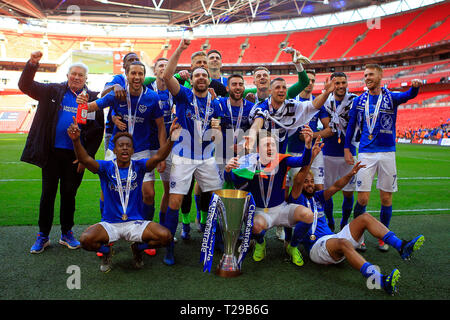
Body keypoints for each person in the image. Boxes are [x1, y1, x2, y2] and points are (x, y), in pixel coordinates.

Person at [288, 150, 425, 295]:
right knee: (343, 243)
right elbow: (297, 180)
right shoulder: (296, 199)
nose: (309, 184)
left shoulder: (318, 196)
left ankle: (401, 246)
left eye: (311, 181)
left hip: (333, 239)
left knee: (364, 217)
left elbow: (336, 186)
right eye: (306, 182)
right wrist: (311, 158)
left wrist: (351, 173)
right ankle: (380, 279)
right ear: (300, 184)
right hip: (316, 248)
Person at [67, 117, 180, 272]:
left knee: (165, 237)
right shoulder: (106, 167)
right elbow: (85, 159)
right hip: (110, 223)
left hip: (135, 223)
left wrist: (172, 139)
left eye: (128, 146)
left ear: (133, 150)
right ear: (115, 150)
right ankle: (107, 252)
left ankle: (138, 248)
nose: (125, 148)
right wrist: (76, 141)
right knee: (85, 240)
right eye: (121, 145)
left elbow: (159, 157)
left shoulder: (139, 166)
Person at [19, 51, 104, 254]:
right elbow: (25, 86)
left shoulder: (92, 99)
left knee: (69, 195)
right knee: (47, 195)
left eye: (80, 75)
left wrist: (86, 158)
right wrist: (32, 63)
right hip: (51, 154)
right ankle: (43, 236)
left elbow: (97, 131)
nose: (76, 77)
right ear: (67, 76)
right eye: (73, 73)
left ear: (86, 79)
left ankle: (67, 233)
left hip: (75, 158)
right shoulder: (52, 91)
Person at [77, 61, 166, 227]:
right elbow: (92, 107)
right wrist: (81, 103)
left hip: (141, 151)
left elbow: (160, 126)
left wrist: (161, 155)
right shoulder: (116, 95)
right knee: (107, 191)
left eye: (140, 74)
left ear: (144, 76)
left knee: (149, 193)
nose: (137, 77)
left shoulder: (152, 97)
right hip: (116, 150)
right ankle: (107, 228)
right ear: (127, 75)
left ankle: (143, 231)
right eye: (133, 73)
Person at [344, 64, 423, 251]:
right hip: (365, 153)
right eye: (365, 75)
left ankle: (384, 237)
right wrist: (348, 148)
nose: (367, 78)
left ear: (380, 76)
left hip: (387, 152)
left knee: (386, 198)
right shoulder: (359, 101)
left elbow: (408, 96)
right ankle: (358, 235)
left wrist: (415, 87)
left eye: (370, 74)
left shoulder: (391, 97)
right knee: (362, 198)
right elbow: (351, 125)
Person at [162, 38, 223, 265]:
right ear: (192, 78)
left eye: (204, 75)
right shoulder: (184, 96)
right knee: (175, 201)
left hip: (207, 158)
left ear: (209, 80)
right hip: (184, 156)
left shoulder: (215, 103)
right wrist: (180, 48)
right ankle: (169, 246)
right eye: (197, 75)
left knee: (217, 200)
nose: (200, 78)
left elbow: (217, 132)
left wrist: (217, 131)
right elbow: (167, 77)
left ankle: (215, 238)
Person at [224, 127, 315, 267]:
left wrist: (308, 146)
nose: (271, 148)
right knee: (254, 226)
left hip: (281, 208)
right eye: (266, 145)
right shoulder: (248, 162)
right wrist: (228, 169)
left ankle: (293, 246)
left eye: (273, 144)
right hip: (261, 212)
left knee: (308, 215)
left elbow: (302, 161)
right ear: (257, 149)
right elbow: (232, 179)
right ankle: (260, 243)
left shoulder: (281, 160)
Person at [320, 72, 358, 232]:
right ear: (332, 85)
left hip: (348, 154)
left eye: (343, 82)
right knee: (327, 192)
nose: (341, 86)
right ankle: (330, 221)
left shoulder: (355, 101)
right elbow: (329, 128)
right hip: (328, 153)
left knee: (348, 192)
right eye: (337, 83)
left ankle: (344, 222)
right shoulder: (325, 102)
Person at [244, 48, 310, 103]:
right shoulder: (246, 93)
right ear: (254, 82)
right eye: (258, 76)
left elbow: (304, 83)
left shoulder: (281, 94)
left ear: (270, 80)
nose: (262, 77)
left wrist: (297, 64)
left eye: (265, 75)